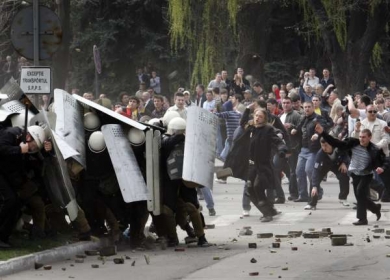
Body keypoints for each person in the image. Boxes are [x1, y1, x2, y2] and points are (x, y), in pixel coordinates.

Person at [224, 106, 288, 222]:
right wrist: (247, 109)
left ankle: (268, 214)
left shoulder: (268, 129)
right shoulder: (251, 127)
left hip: (263, 165)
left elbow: (278, 141)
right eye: (256, 116)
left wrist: (282, 150)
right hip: (251, 165)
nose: (258, 118)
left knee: (257, 186)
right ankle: (268, 210)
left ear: (264, 119)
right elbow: (242, 122)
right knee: (249, 189)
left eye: (260, 117)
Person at [315, 124, 386, 225]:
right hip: (355, 173)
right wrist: (323, 133)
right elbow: (336, 142)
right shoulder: (353, 143)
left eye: (364, 137)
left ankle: (362, 219)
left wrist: (381, 167)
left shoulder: (374, 149)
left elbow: (384, 161)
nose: (361, 139)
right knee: (360, 196)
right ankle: (375, 208)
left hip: (366, 174)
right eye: (360, 137)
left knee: (360, 191)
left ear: (370, 138)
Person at [0, 125, 51, 247]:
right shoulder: (9, 134)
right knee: (10, 200)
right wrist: (18, 150)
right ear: (28, 137)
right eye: (32, 145)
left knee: (17, 202)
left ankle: (3, 237)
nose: (31, 149)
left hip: (9, 175)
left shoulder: (27, 145)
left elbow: (36, 160)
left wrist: (47, 151)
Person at [304, 137, 350, 210]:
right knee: (314, 180)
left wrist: (344, 163)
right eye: (322, 145)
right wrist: (315, 187)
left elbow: (347, 154)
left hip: (337, 164)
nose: (324, 148)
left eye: (326, 145)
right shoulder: (320, 154)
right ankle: (312, 203)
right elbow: (316, 170)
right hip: (325, 166)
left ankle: (343, 197)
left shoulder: (339, 146)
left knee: (344, 175)